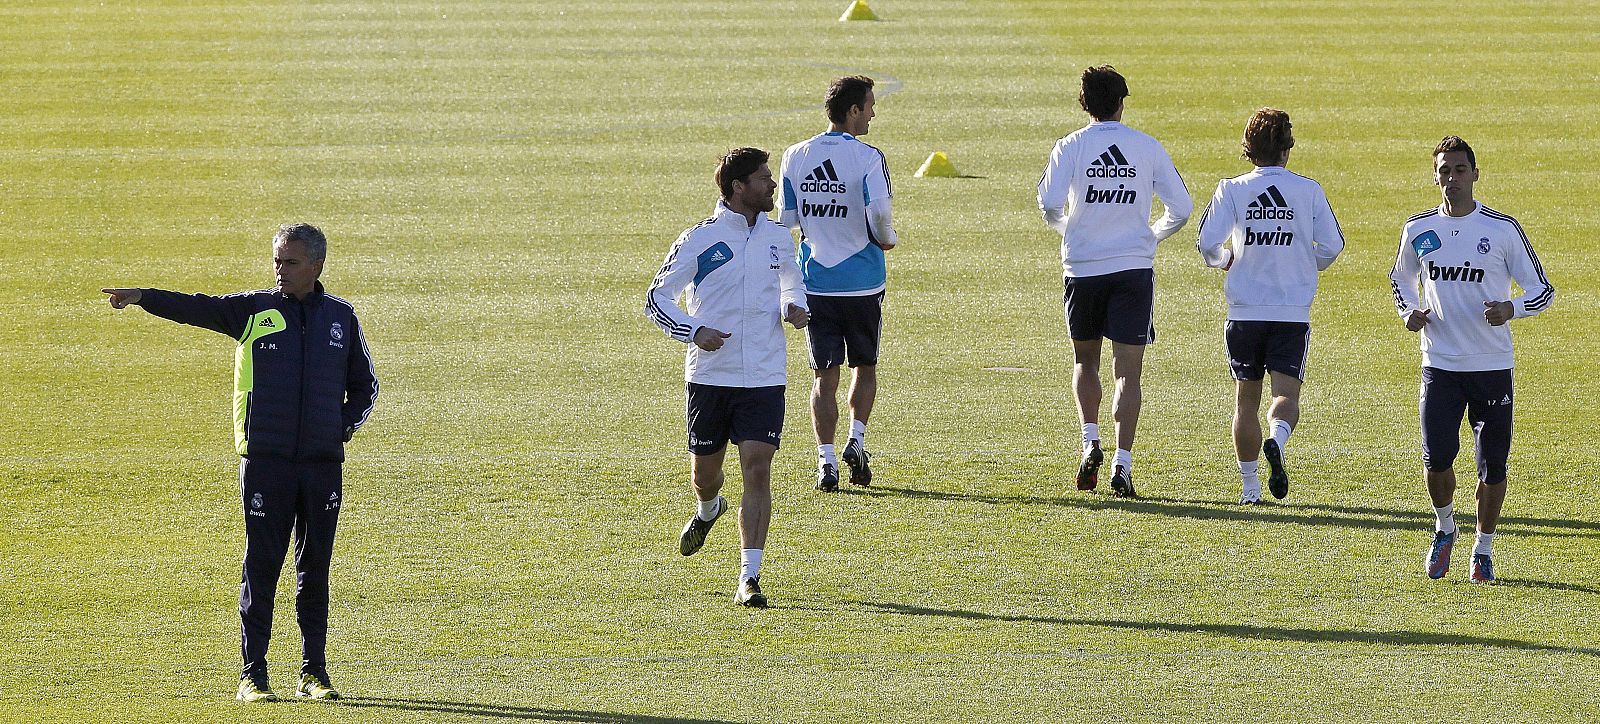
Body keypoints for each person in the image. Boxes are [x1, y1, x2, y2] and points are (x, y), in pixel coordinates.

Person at [102, 223, 378, 702]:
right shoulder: (255, 310)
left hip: (321, 465)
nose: (280, 270)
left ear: (317, 265)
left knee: (315, 568)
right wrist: (144, 295)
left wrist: (341, 429)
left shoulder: (341, 318)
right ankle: (253, 675)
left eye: (291, 262)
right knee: (263, 565)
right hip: (266, 464)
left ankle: (314, 672)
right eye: (276, 260)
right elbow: (198, 307)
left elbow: (366, 386)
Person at [647, 147, 810, 607]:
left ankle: (749, 577)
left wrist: (794, 306)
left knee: (758, 469)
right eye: (763, 179)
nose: (773, 185)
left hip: (764, 372)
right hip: (711, 376)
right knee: (706, 476)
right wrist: (693, 331)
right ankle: (707, 508)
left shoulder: (779, 238)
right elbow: (656, 298)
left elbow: (790, 283)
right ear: (739, 187)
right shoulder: (699, 240)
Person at [1389, 136, 1554, 583]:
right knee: (1436, 460)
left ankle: (1483, 548)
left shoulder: (1501, 230)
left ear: (1475, 174)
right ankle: (1445, 529)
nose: (1453, 179)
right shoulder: (1419, 230)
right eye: (1444, 170)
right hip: (1439, 364)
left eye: (1461, 170)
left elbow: (1543, 289)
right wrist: (1409, 312)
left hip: (1491, 367)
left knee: (1493, 466)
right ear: (1435, 176)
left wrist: (1511, 309)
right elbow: (1399, 278)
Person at [1037, 65, 1192, 498]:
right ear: (1121, 103)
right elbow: (1181, 206)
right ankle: (1122, 465)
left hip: (1082, 268)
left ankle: (1090, 441)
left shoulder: (1069, 146)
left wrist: (1070, 229)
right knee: (1129, 373)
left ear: (1084, 103)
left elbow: (1048, 202)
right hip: (1132, 270)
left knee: (1085, 362)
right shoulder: (1146, 147)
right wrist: (1151, 236)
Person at [1196, 108, 1344, 504]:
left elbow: (1206, 242)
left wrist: (1226, 260)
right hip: (1290, 313)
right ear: (1287, 149)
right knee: (1286, 398)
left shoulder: (1232, 189)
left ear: (1249, 150)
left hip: (1244, 312)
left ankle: (1250, 489)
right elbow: (1333, 245)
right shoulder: (1308, 190)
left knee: (1246, 400)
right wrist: (1300, 263)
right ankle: (1277, 438)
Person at [778, 75, 897, 493]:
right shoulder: (868, 157)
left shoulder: (795, 155)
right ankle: (857, 439)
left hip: (816, 284)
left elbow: (786, 224)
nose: (873, 113)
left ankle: (825, 460)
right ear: (852, 111)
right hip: (863, 283)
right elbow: (880, 213)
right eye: (869, 106)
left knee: (822, 376)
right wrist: (889, 239)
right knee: (865, 368)